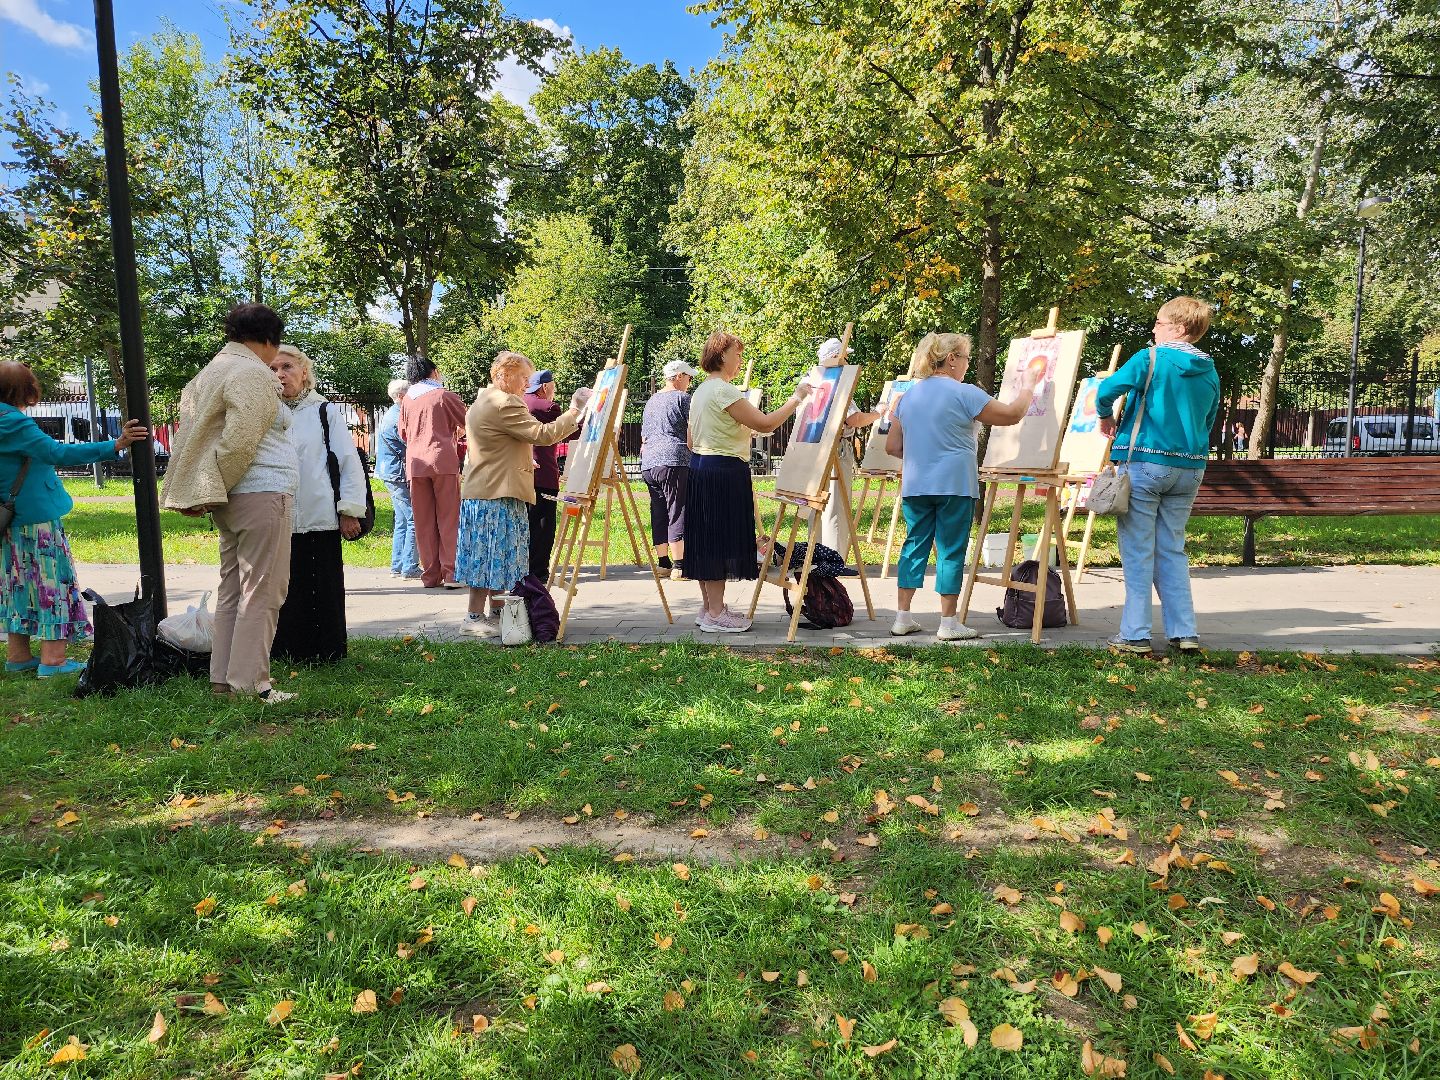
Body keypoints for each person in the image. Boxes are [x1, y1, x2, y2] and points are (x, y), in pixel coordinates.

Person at [162, 303, 298, 703]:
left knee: (233, 589)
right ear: (269, 339)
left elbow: (194, 438)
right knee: (263, 590)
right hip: (261, 490)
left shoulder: (208, 373)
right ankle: (251, 685)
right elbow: (240, 440)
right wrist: (213, 486)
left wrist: (207, 491)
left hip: (234, 495)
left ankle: (223, 680)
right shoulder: (252, 373)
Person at [885, 332, 1036, 641]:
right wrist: (1030, 385)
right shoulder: (964, 393)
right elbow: (1012, 414)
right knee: (951, 550)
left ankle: (902, 617)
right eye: (966, 358)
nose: (967, 365)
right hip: (954, 483)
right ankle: (948, 623)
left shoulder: (906, 397)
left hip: (916, 485)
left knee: (914, 546)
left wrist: (923, 450)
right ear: (951, 358)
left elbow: (892, 446)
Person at [0, 362, 148, 677]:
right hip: (36, 517)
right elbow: (59, 454)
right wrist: (116, 445)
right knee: (51, 584)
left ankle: (18, 656)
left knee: (17, 585)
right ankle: (53, 661)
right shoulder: (13, 423)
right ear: (26, 390)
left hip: (7, 520)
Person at [1097, 296, 1220, 654]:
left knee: (1138, 551)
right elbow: (1208, 419)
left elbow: (1106, 391)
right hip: (1190, 468)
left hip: (1147, 464)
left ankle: (1135, 634)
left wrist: (1106, 415)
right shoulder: (1209, 370)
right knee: (1173, 550)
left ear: (1179, 329)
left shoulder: (1150, 358)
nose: (1154, 328)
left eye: (1160, 322)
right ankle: (1184, 633)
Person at [456, 352, 590, 636]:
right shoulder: (505, 403)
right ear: (505, 374)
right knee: (494, 555)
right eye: (523, 377)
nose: (526, 383)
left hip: (485, 489)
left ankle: (492, 613)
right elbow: (542, 434)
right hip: (497, 493)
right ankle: (475, 617)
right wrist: (575, 410)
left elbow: (494, 442)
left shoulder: (485, 399)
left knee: (491, 555)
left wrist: (518, 458)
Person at [685, 332, 810, 633]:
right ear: (721, 356)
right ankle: (716, 613)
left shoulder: (701, 391)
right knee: (719, 541)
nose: (740, 359)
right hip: (723, 471)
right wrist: (797, 398)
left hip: (701, 468)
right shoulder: (724, 391)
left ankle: (709, 609)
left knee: (706, 540)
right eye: (737, 354)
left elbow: (691, 441)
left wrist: (737, 434)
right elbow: (766, 423)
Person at [267, 345, 368, 663]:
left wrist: (350, 509)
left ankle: (328, 652)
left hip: (320, 513)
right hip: (277, 516)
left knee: (323, 586)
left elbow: (348, 461)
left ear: (304, 371)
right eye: (272, 369)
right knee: (285, 588)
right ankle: (287, 652)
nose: (280, 375)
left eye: (286, 367)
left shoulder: (324, 411)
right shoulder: (264, 413)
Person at [806, 337, 880, 563]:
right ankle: (834, 560)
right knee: (836, 505)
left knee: (815, 503)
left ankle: (815, 556)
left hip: (812, 448)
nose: (847, 361)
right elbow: (854, 419)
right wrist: (879, 413)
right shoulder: (836, 382)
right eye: (844, 356)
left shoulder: (810, 380)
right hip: (836, 449)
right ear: (835, 358)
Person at [398, 357, 467, 589]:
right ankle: (452, 573)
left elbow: (403, 433)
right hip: (443, 461)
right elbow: (469, 422)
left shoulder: (407, 399)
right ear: (434, 372)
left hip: (416, 464)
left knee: (423, 520)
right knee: (448, 517)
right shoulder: (444, 396)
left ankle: (430, 575)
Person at [640, 359, 696, 581]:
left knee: (659, 510)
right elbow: (694, 429)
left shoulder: (652, 401)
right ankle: (680, 566)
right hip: (674, 460)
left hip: (649, 463)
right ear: (679, 377)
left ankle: (663, 563)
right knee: (678, 509)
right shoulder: (683, 399)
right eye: (689, 377)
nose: (690, 382)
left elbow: (645, 435)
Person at [377, 378, 420, 579]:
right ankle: (409, 567)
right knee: (413, 519)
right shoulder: (398, 419)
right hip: (398, 472)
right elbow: (409, 446)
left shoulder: (391, 414)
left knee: (402, 520)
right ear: (401, 396)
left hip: (389, 472)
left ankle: (397, 564)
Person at [523, 368, 563, 580]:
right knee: (543, 525)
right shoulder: (547, 406)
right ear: (545, 387)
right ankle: (539, 571)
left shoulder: (520, 401)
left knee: (527, 523)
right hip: (543, 473)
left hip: (523, 473)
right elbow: (569, 431)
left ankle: (527, 568)